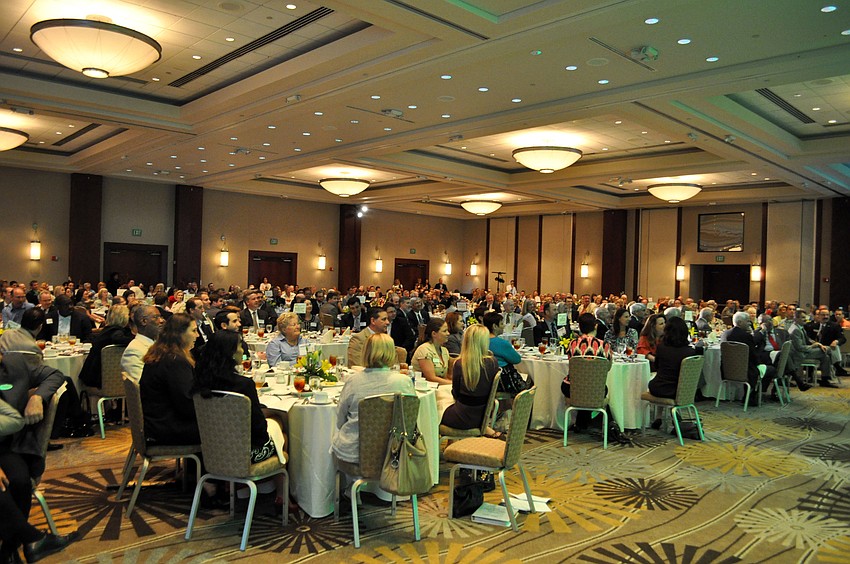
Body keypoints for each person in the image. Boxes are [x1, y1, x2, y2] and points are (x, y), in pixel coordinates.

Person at [193, 331, 287, 508]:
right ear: (230, 352)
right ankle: (282, 495)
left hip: (212, 451)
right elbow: (259, 429)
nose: (242, 351)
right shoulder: (243, 385)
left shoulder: (200, 381)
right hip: (245, 455)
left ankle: (245, 490)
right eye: (239, 346)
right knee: (281, 433)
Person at [0, 352, 75, 563]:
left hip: (9, 444)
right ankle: (32, 539)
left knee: (19, 481)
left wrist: (38, 397)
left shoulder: (15, 363)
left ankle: (10, 550)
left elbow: (55, 375)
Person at [332, 334, 414, 468]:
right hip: (395, 452)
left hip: (355, 452)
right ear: (391, 353)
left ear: (365, 352)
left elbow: (340, 421)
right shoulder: (404, 382)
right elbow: (410, 420)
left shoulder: (353, 381)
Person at [139, 314, 200, 445]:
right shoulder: (175, 361)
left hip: (156, 424)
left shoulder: (161, 353)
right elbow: (187, 404)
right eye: (194, 331)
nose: (198, 335)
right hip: (168, 429)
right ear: (179, 334)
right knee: (223, 424)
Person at [646, 317, 703, 437]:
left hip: (662, 388)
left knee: (654, 381)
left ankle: (659, 418)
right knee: (667, 380)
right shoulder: (690, 352)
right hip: (682, 391)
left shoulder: (662, 348)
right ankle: (674, 419)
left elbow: (657, 367)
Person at [440, 325, 501, 436]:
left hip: (462, 417)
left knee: (434, 410)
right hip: (483, 415)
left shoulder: (460, 364)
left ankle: (430, 445)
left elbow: (456, 393)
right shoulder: (493, 362)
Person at [722, 311, 776, 396]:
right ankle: (757, 393)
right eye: (747, 321)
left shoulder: (725, 334)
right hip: (746, 370)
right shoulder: (746, 336)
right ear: (740, 322)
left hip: (727, 370)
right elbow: (753, 356)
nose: (749, 323)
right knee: (772, 369)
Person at [79, 305, 134, 388]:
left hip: (94, 376)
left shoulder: (106, 331)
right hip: (99, 379)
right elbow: (117, 338)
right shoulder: (115, 332)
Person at [121, 305, 165, 383]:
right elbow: (141, 384)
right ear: (144, 321)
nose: (162, 320)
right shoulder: (134, 350)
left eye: (161, 317)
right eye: (156, 317)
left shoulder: (160, 343)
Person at [412, 317, 452, 385]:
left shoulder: (444, 351)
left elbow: (445, 376)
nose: (448, 333)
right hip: (423, 387)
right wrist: (453, 384)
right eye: (444, 331)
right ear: (434, 334)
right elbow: (431, 378)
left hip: (439, 387)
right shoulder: (424, 349)